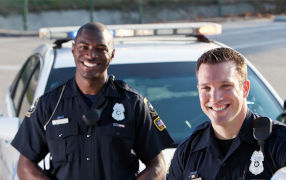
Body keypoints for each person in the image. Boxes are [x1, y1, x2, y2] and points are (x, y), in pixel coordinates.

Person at [11, 22, 173, 180]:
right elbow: (24, 165)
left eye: (100, 49)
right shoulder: (49, 104)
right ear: (73, 50)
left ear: (112, 54)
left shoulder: (133, 103)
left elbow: (158, 165)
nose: (91, 55)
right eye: (84, 47)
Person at [167, 47, 286, 180]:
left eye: (226, 86)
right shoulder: (187, 152)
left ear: (245, 88)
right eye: (206, 88)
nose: (215, 98)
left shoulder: (282, 144)